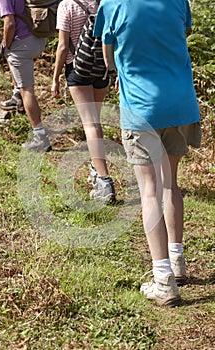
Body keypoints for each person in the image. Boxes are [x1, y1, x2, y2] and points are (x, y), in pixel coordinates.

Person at [94, 0, 201, 306]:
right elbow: (181, 34)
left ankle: (163, 279)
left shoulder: (112, 4)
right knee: (170, 184)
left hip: (142, 108)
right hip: (180, 104)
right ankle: (177, 261)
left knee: (149, 191)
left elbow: (108, 59)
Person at [51, 0, 115, 203]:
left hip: (77, 69)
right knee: (95, 122)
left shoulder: (67, 6)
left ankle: (105, 182)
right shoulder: (103, 3)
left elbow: (63, 46)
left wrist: (55, 78)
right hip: (101, 69)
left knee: (90, 124)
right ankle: (96, 170)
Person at [0, 0, 51, 152]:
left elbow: (10, 23)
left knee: (28, 90)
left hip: (23, 43)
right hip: (38, 38)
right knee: (14, 61)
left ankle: (40, 137)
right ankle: (16, 94)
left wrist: (6, 45)